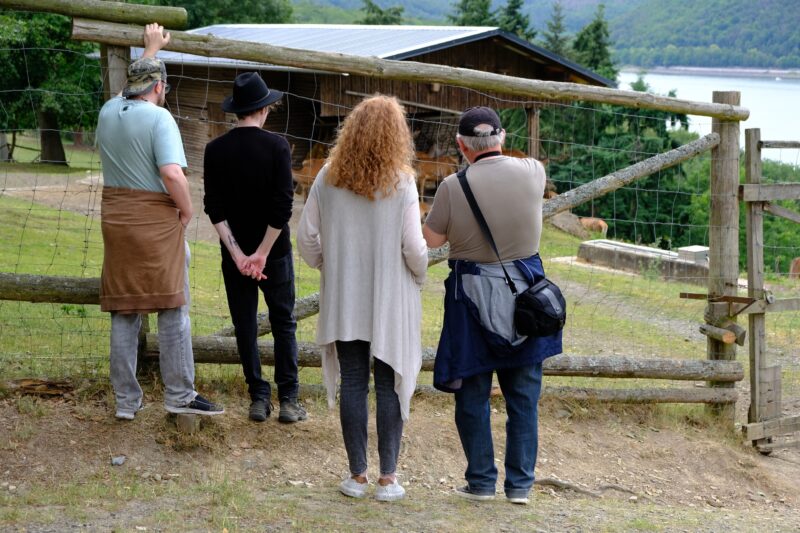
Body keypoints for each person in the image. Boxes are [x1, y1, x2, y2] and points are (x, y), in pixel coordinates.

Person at [422, 107, 562, 505]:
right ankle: (520, 487)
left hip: (471, 296)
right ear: (501, 138)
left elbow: (432, 240)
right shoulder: (533, 172)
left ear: (462, 145)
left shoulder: (452, 186)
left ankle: (481, 482)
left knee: (472, 392)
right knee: (523, 396)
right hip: (526, 294)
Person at [297, 95, 428, 502]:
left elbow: (305, 239)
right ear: (397, 135)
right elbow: (414, 247)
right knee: (388, 382)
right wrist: (419, 274)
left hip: (346, 294)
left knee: (354, 379)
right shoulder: (403, 182)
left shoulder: (327, 177)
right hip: (390, 296)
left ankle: (356, 476)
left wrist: (330, 264)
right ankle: (388, 478)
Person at [96, 23, 223, 419]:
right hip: (154, 221)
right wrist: (186, 209)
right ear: (159, 88)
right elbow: (172, 173)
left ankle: (126, 402)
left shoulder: (109, 111)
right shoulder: (160, 119)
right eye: (162, 87)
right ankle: (180, 394)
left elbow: (130, 89)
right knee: (172, 305)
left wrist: (150, 51)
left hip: (116, 219)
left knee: (124, 306)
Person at [203, 72, 306, 424]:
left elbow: (213, 208)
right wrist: (262, 253)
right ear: (263, 109)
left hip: (236, 256)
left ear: (237, 111)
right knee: (283, 323)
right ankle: (289, 399)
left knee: (245, 325)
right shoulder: (278, 146)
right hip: (273, 253)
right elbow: (283, 206)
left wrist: (239, 255)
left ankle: (258, 397)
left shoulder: (214, 150)